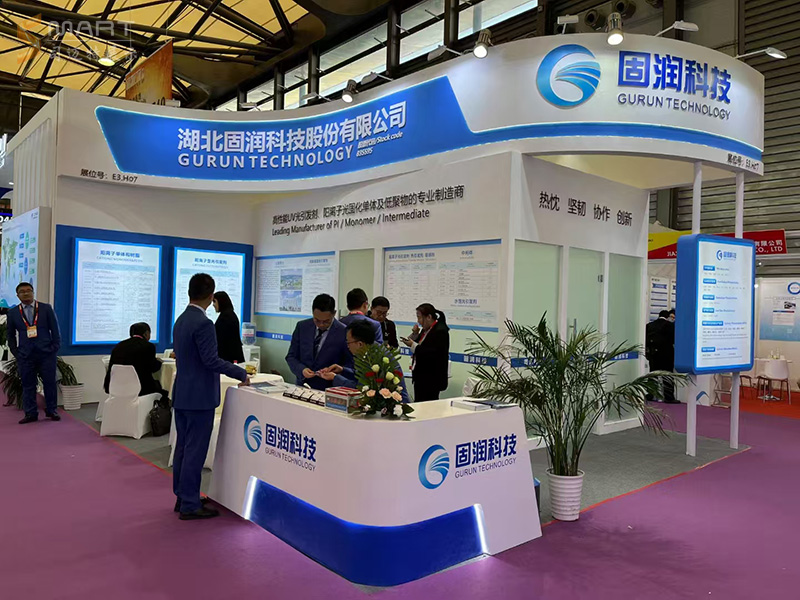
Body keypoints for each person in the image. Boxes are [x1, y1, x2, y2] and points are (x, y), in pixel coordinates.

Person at [172, 273, 249, 520]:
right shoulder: (203, 323)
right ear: (211, 295)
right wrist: (240, 372)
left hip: (183, 393)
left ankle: (183, 496)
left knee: (183, 448)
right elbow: (211, 361)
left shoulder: (181, 319)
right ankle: (190, 504)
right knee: (195, 451)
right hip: (199, 397)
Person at [8, 283, 61, 424]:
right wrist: (16, 352)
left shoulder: (45, 308)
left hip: (46, 354)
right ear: (17, 295)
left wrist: (54, 347)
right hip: (25, 355)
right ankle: (31, 413)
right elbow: (10, 335)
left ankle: (52, 410)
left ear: (33, 292)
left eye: (28, 291)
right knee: (28, 385)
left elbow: (55, 330)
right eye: (22, 292)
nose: (26, 293)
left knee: (50, 383)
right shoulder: (13, 313)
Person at [319, 320, 410, 402]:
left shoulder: (375, 358)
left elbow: (361, 387)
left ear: (360, 344)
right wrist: (342, 370)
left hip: (395, 404)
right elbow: (362, 375)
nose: (347, 346)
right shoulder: (371, 349)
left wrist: (335, 378)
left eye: (348, 342)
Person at [286, 293, 352, 391]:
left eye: (326, 321)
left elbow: (350, 364)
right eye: (317, 320)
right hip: (303, 386)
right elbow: (291, 356)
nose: (321, 324)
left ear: (334, 313)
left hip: (330, 389)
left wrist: (337, 372)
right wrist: (302, 370)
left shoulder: (344, 332)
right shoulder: (302, 327)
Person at [103, 322, 168, 402]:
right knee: (163, 391)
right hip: (141, 389)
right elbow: (152, 368)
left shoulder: (118, 346)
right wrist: (159, 362)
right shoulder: (148, 346)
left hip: (116, 387)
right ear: (146, 334)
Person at [401, 303, 450, 402]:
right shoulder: (426, 330)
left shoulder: (440, 331)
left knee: (427, 405)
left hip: (431, 378)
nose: (418, 321)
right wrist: (415, 334)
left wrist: (412, 345)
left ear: (429, 317)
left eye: (419, 317)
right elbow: (418, 343)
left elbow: (432, 353)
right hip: (421, 377)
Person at [646, 310, 677, 404]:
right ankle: (668, 397)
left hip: (653, 354)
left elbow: (646, 340)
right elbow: (673, 339)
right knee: (667, 376)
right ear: (667, 317)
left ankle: (650, 394)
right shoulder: (670, 326)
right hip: (667, 355)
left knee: (653, 375)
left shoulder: (649, 325)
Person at [213, 291, 245, 364]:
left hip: (228, 358)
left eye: (214, 301)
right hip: (231, 357)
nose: (213, 305)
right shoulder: (229, 314)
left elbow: (221, 340)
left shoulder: (226, 317)